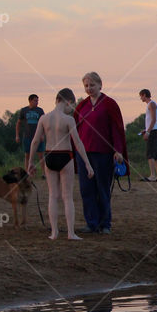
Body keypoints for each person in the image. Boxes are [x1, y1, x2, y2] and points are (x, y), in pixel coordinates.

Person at [27, 88, 95, 240]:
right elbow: (78, 143)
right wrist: (87, 163)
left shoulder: (44, 118)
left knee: (53, 195)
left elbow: (35, 141)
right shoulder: (68, 119)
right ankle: (71, 233)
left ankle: (54, 233)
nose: (72, 109)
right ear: (68, 102)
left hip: (50, 155)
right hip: (65, 155)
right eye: (72, 106)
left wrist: (31, 162)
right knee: (67, 196)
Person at [74, 71, 127, 234]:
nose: (89, 88)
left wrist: (118, 150)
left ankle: (105, 224)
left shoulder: (109, 104)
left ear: (100, 85)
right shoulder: (81, 106)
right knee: (86, 189)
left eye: (92, 85)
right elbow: (74, 129)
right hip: (84, 154)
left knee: (102, 189)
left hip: (103, 153)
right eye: (86, 86)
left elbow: (117, 128)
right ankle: (91, 223)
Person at [16, 94, 45, 174]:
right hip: (27, 136)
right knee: (27, 155)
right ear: (30, 101)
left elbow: (44, 123)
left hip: (38, 137)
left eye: (37, 101)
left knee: (41, 156)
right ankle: (27, 173)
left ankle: (44, 173)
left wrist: (42, 134)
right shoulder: (24, 110)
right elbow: (18, 123)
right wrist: (17, 135)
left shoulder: (40, 111)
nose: (37, 102)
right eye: (35, 101)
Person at [139, 89, 157, 182]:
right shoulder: (151, 104)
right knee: (155, 154)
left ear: (144, 95)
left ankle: (152, 176)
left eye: (141, 96)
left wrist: (148, 132)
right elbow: (155, 121)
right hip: (153, 130)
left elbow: (154, 120)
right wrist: (146, 130)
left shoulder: (151, 104)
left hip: (152, 132)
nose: (140, 98)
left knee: (150, 154)